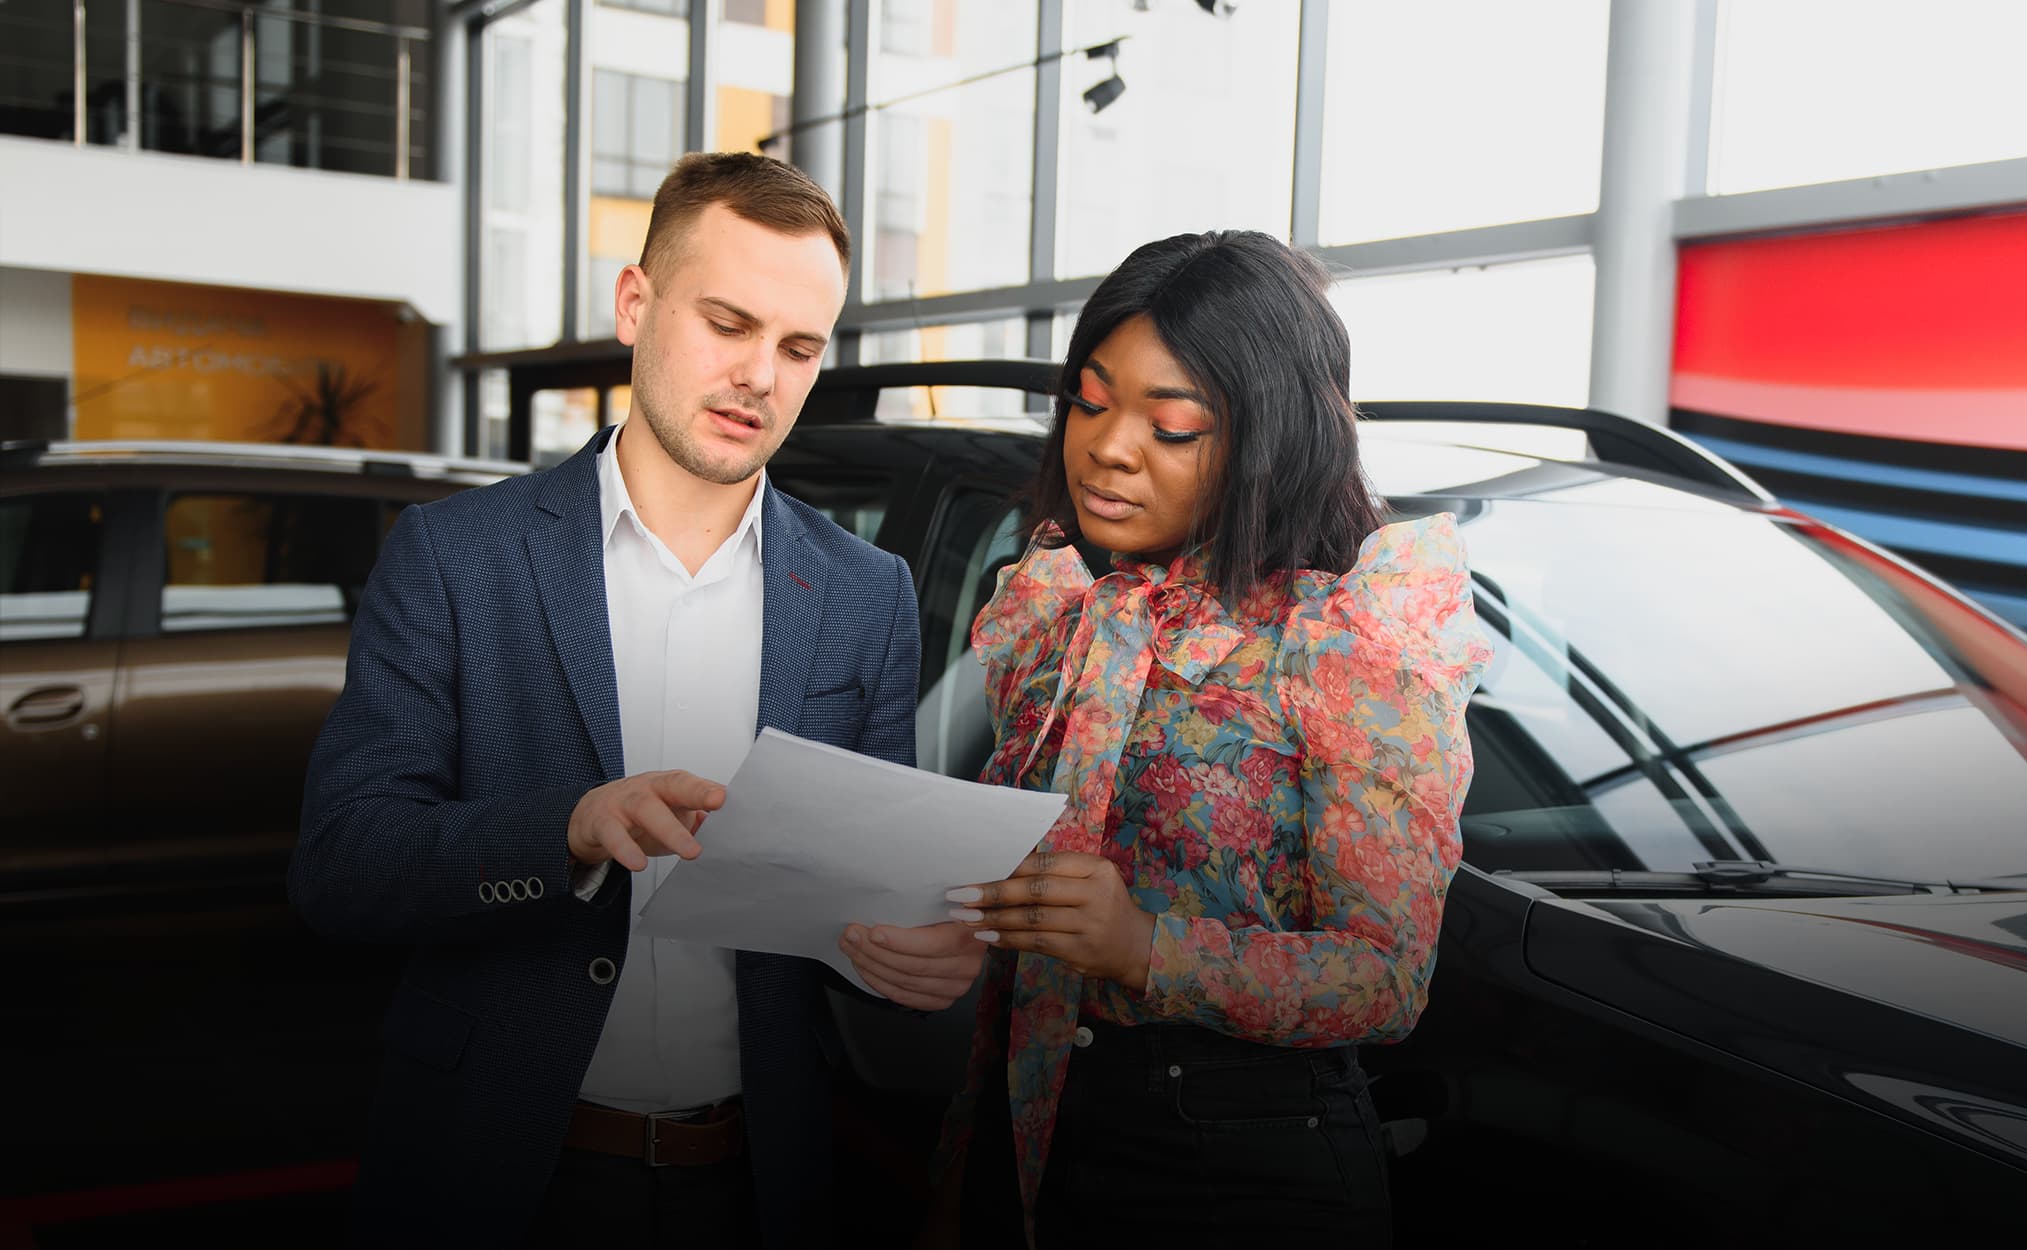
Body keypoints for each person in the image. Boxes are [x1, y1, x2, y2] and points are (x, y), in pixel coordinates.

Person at [291, 151, 985, 1250]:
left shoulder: (866, 594)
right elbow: (341, 864)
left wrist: (915, 955)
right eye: (727, 322)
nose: (761, 373)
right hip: (498, 1165)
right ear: (634, 303)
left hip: (757, 1180)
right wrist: (563, 830)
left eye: (798, 346)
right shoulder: (455, 556)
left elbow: (856, 896)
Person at [929, 229, 1494, 1247]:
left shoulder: (1346, 641)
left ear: (1264, 437)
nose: (1107, 446)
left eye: (1172, 425)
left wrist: (1143, 946)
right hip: (1042, 1110)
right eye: (1091, 402)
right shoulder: (1070, 609)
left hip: (1235, 1160)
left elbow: (1385, 977)